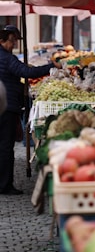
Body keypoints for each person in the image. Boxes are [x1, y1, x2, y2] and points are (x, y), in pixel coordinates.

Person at [0, 26, 62, 195]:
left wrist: (19, 85)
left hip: (4, 103)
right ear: (2, 41)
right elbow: (26, 72)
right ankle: (4, 185)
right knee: (6, 146)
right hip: (7, 106)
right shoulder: (6, 58)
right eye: (11, 41)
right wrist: (50, 66)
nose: (13, 44)